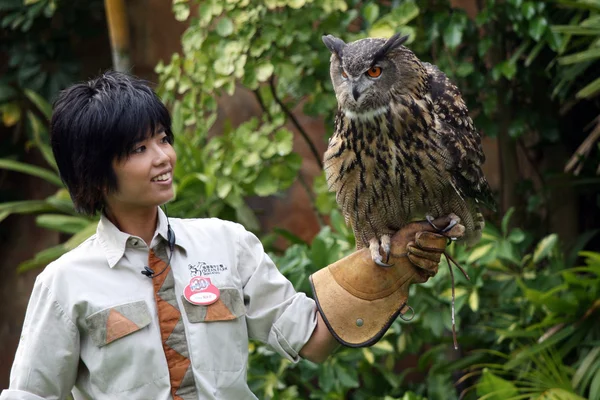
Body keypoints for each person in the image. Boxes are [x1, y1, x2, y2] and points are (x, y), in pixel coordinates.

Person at [1, 71, 457, 399]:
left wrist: (391, 268)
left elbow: (312, 339)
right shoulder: (65, 284)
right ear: (95, 174)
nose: (163, 157)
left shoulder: (227, 244)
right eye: (140, 149)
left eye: (163, 138)